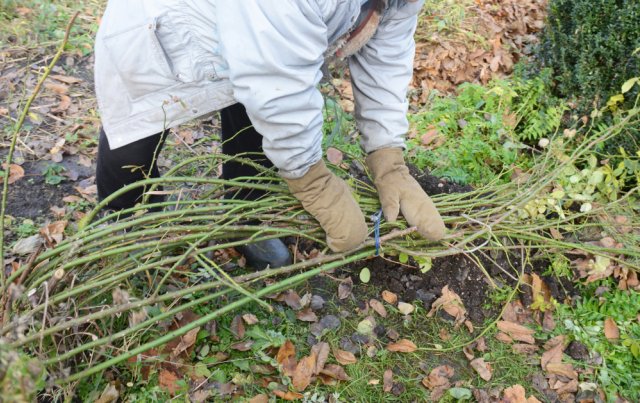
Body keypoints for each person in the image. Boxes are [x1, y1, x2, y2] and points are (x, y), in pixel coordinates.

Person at [93, 0, 446, 269]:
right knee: (133, 143)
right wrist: (311, 180)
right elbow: (278, 79)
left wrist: (387, 156)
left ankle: (243, 219)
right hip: (164, 25)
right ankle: (127, 227)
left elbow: (386, 51)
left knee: (253, 126)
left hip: (259, 35)